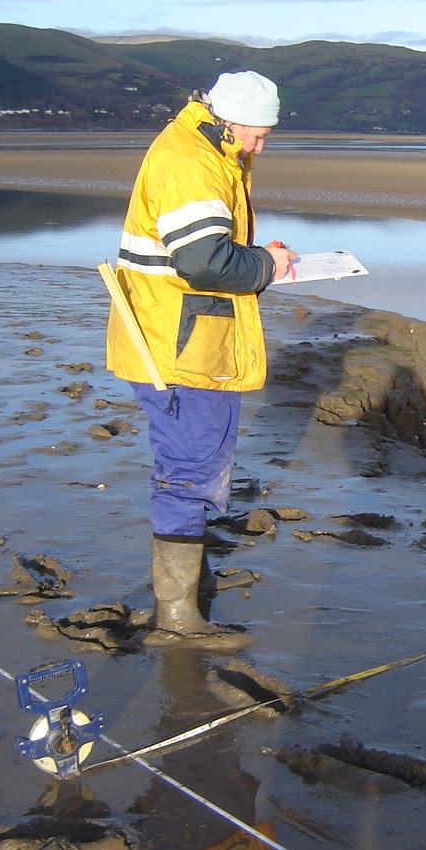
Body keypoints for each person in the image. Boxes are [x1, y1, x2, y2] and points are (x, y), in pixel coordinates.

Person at [106, 71, 297, 643]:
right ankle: (179, 618)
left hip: (180, 339)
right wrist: (266, 264)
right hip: (179, 349)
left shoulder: (203, 147)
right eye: (257, 136)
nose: (259, 148)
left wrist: (261, 256)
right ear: (229, 119)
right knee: (190, 472)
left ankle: (184, 591)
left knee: (188, 466)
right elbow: (204, 261)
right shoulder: (190, 161)